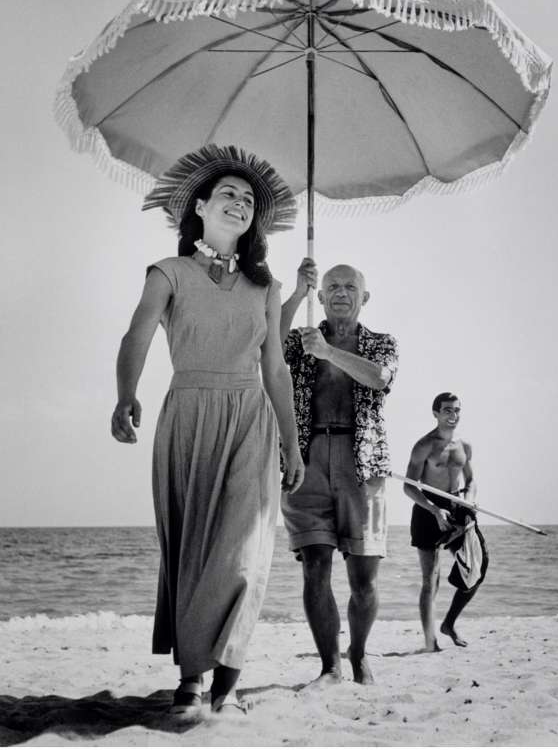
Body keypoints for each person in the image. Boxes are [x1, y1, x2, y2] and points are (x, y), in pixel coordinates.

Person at [111, 145, 304, 718]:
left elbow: (275, 369)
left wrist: (292, 442)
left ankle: (229, 674)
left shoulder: (266, 288)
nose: (240, 203)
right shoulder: (168, 272)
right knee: (194, 551)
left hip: (250, 419)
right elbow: (137, 336)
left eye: (248, 199)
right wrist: (126, 394)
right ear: (199, 206)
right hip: (189, 415)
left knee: (245, 554)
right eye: (228, 194)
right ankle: (192, 676)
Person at [280, 258, 399, 686]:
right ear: (322, 296)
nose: (341, 293)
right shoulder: (302, 339)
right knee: (314, 566)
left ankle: (359, 653)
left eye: (350, 287)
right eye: (332, 287)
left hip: (363, 462)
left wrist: (328, 353)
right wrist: (295, 293)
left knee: (363, 576)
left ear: (364, 297)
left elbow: (380, 380)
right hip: (307, 458)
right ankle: (329, 665)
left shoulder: (382, 342)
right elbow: (267, 346)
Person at [404, 393, 488, 652]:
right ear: (436, 413)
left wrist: (470, 499)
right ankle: (430, 642)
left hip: (457, 506)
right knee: (431, 579)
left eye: (457, 411)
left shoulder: (465, 446)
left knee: (478, 567)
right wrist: (433, 509)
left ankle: (449, 623)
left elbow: (471, 480)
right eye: (448, 410)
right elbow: (408, 487)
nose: (453, 416)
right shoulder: (424, 446)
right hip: (428, 508)